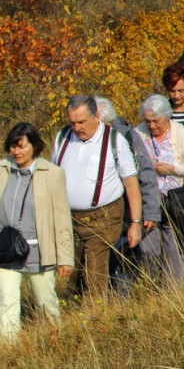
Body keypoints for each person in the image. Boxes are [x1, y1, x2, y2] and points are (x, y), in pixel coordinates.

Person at [0, 123, 74, 342]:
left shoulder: (52, 174)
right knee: (7, 303)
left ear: (34, 146)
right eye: (12, 146)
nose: (16, 152)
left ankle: (55, 342)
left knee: (46, 303)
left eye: (22, 147)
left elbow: (62, 218)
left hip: (39, 251)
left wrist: (65, 258)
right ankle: (9, 352)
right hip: (4, 250)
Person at [52, 95, 142, 301]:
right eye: (72, 122)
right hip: (68, 219)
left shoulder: (114, 140)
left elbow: (131, 184)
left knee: (94, 271)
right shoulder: (62, 137)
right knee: (70, 274)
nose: (76, 127)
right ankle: (74, 314)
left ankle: (95, 318)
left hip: (103, 217)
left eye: (81, 122)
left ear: (96, 116)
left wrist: (135, 223)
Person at [95, 97, 162, 292]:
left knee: (139, 254)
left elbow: (146, 176)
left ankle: (142, 296)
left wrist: (150, 212)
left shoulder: (127, 136)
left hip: (128, 210)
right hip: (99, 215)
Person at [134, 94, 184, 278]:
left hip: (176, 199)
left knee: (174, 249)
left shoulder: (181, 133)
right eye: (148, 121)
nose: (152, 126)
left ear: (166, 117)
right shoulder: (138, 133)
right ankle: (150, 284)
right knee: (149, 248)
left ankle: (174, 291)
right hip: (148, 200)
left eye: (156, 121)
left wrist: (174, 169)